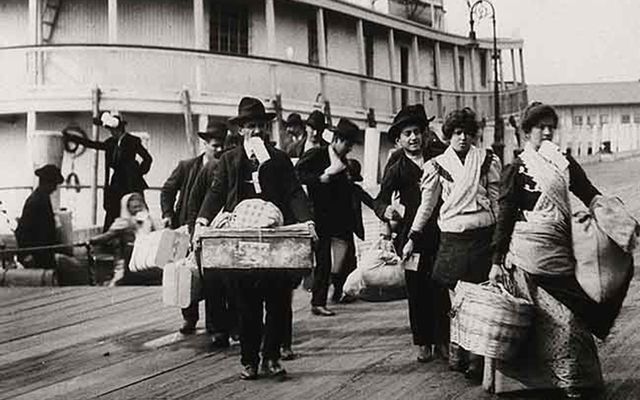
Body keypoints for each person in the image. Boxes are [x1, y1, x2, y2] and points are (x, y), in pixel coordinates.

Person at [487, 102, 626, 399]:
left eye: (551, 126)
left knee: (570, 321)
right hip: (526, 256)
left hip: (560, 254)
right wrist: (497, 260)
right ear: (527, 132)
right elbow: (506, 216)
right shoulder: (516, 168)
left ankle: (574, 380)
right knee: (529, 322)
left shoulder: (565, 163)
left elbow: (589, 194)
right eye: (540, 127)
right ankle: (527, 385)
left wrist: (615, 218)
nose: (547, 132)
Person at [194, 96, 316, 380]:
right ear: (240, 130)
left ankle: (271, 357)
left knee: (277, 303)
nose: (257, 131)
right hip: (242, 242)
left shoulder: (279, 159)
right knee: (246, 306)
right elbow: (216, 193)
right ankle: (249, 359)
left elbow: (294, 192)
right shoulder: (229, 160)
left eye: (261, 125)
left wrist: (307, 221)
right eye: (251, 126)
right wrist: (201, 221)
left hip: (275, 240)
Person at [403, 107, 501, 381]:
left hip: (482, 236)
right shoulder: (436, 166)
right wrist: (412, 236)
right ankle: (459, 349)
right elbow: (427, 206)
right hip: (453, 239)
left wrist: (502, 238)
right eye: (457, 133)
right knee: (457, 300)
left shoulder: (486, 160)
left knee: (481, 300)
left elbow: (495, 200)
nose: (463, 138)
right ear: (448, 135)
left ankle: (477, 358)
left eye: (468, 133)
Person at [373, 104, 449, 363]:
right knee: (417, 291)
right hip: (410, 239)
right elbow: (379, 200)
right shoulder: (397, 167)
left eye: (417, 132)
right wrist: (387, 212)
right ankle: (423, 342)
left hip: (440, 232)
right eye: (407, 134)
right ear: (399, 139)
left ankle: (443, 340)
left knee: (441, 287)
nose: (413, 137)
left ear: (424, 133)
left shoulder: (440, 157)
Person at [160, 120, 228, 338]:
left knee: (210, 276)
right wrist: (168, 214)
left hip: (211, 228)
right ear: (205, 144)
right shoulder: (187, 166)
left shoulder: (224, 166)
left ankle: (214, 325)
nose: (219, 149)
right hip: (183, 226)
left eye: (222, 145)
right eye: (215, 145)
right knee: (183, 271)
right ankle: (189, 318)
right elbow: (167, 190)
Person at [296, 117, 362, 317]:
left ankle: (339, 292)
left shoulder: (343, 163)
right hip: (320, 216)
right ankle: (318, 302)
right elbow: (297, 173)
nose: (349, 149)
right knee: (323, 260)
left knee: (345, 257)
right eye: (347, 144)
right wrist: (319, 179)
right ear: (337, 140)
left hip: (339, 218)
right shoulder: (318, 154)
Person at [63, 112, 153, 231]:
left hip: (131, 184)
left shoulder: (132, 141)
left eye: (112, 130)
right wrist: (73, 138)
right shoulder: (110, 143)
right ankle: (108, 239)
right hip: (116, 184)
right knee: (112, 213)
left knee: (136, 212)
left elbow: (147, 158)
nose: (111, 133)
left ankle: (141, 237)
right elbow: (93, 144)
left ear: (119, 129)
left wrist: (137, 173)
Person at [14, 164, 86, 284]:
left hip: (44, 252)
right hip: (37, 253)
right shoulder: (35, 201)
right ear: (47, 183)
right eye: (53, 184)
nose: (55, 187)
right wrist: (26, 254)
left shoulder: (43, 198)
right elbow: (22, 230)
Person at [89, 192, 159, 286]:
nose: (137, 209)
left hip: (137, 258)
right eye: (134, 207)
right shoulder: (125, 222)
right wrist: (93, 240)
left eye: (139, 206)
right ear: (127, 208)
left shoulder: (146, 220)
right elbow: (108, 236)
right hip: (132, 259)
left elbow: (155, 234)